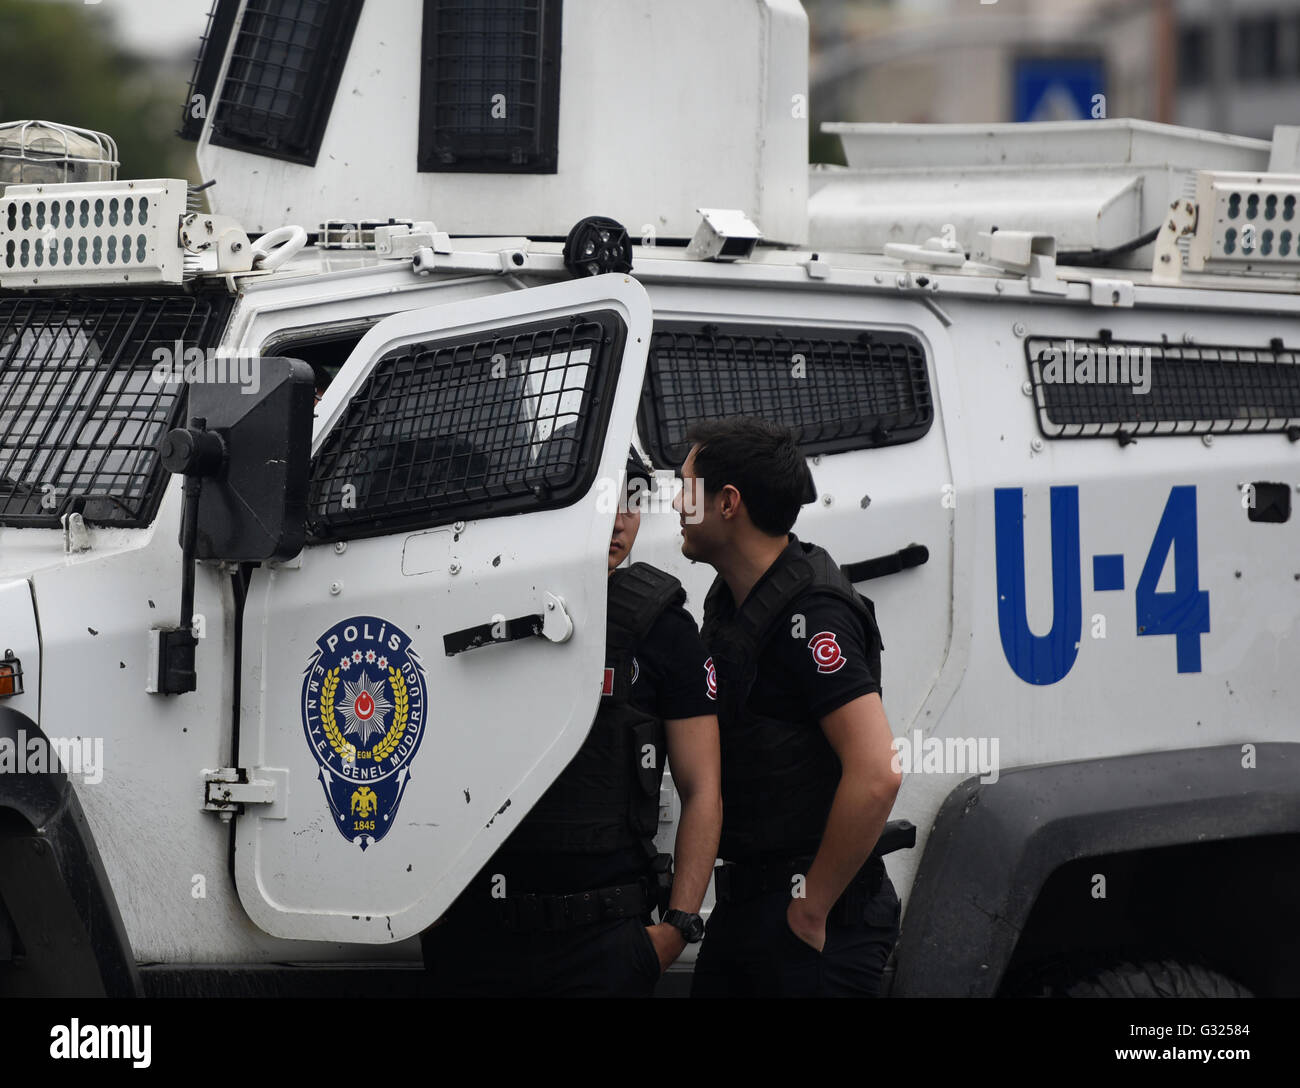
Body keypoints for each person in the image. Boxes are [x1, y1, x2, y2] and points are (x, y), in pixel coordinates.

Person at [422, 450, 721, 997]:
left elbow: (703, 788)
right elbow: (422, 756)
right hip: (479, 936)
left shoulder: (661, 627)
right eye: (603, 498)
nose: (620, 519)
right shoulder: (474, 607)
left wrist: (676, 929)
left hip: (604, 942)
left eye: (632, 502)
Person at [674, 418, 903, 998]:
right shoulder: (730, 599)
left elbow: (877, 773)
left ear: (728, 503)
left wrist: (811, 907)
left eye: (687, 486)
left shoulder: (815, 614)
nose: (676, 501)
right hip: (749, 910)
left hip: (816, 926)